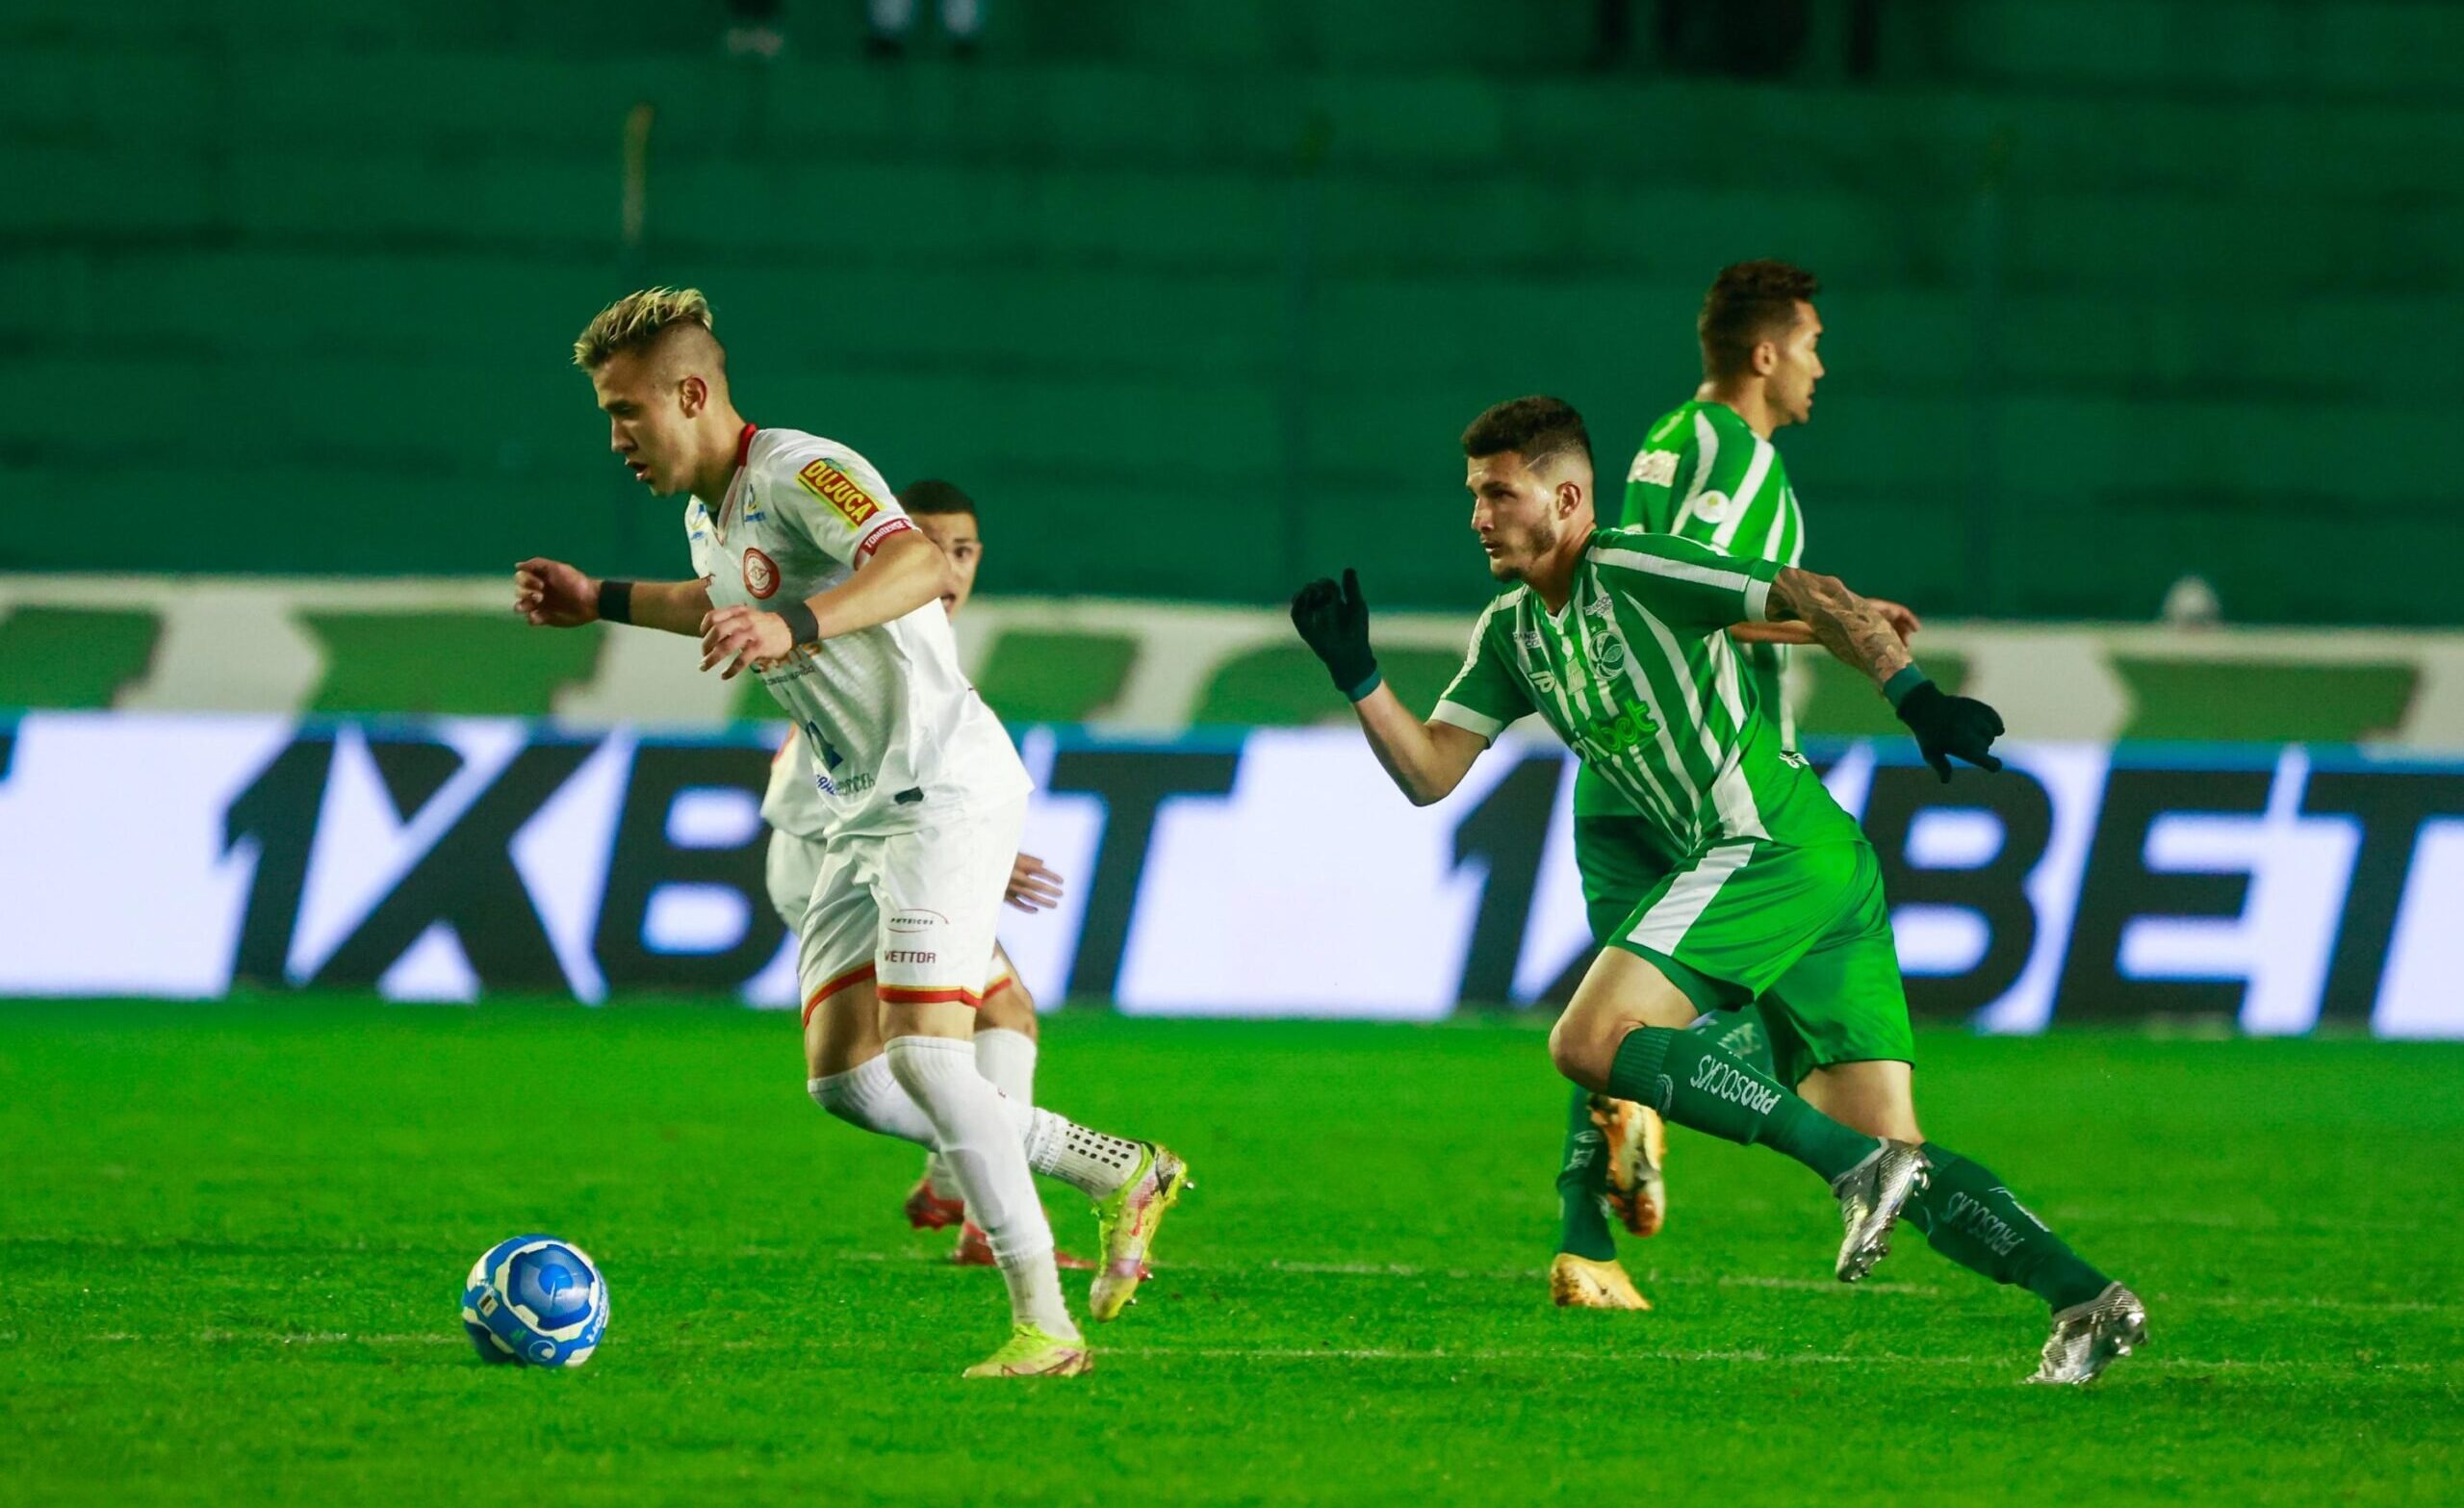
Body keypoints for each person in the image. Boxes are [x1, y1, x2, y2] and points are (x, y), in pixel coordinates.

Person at [1290, 395, 2145, 1384]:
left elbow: (1804, 588)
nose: (1478, 515)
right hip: (1817, 872)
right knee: (1895, 1139)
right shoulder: (1513, 632)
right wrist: (1360, 678)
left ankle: (1853, 1168)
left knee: (1587, 1040)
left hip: (1764, 844)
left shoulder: (1633, 567)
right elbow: (1433, 772)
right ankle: (2084, 1297)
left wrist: (1915, 695)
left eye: (1498, 492)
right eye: (1473, 495)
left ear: (1566, 496)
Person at [514, 288, 1187, 1377]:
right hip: (860, 811)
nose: (615, 436)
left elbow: (914, 559)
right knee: (847, 1077)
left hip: (942, 791)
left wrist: (795, 620)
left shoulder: (800, 468)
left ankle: (1042, 1325)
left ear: (692, 392)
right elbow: (713, 595)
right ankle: (1120, 1169)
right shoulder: (713, 510)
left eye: (626, 409)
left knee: (928, 1051)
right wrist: (599, 597)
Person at [1551, 260, 1923, 1312]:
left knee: (1614, 1021)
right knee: (1649, 1025)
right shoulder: (1739, 455)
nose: (1819, 365)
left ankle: (1585, 1247)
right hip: (1713, 777)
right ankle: (1854, 1168)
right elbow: (1690, 595)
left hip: (1622, 758)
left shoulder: (1670, 435)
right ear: (1765, 353)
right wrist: (1837, 623)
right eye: (1810, 344)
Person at [757, 477, 1082, 1268]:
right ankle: (985, 1214)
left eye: (963, 549)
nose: (946, 564)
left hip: (856, 847)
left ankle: (953, 1183)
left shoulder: (913, 630)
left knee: (941, 1041)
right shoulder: (880, 623)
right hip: (844, 849)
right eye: (925, 543)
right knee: (991, 1022)